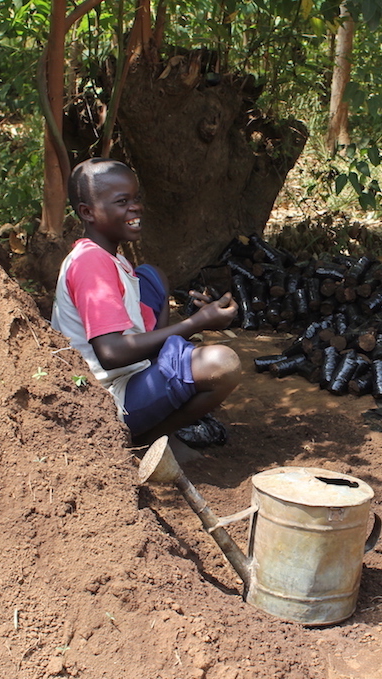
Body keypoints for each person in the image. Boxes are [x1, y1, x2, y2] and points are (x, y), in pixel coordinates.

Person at [51, 158, 241, 461]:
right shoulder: (90, 263)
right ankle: (147, 442)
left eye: (136, 198)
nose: (135, 207)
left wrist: (190, 321)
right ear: (87, 212)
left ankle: (159, 407)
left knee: (151, 278)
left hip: (129, 373)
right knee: (222, 364)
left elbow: (133, 325)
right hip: (108, 398)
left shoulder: (111, 259)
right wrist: (196, 323)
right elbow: (111, 353)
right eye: (122, 201)